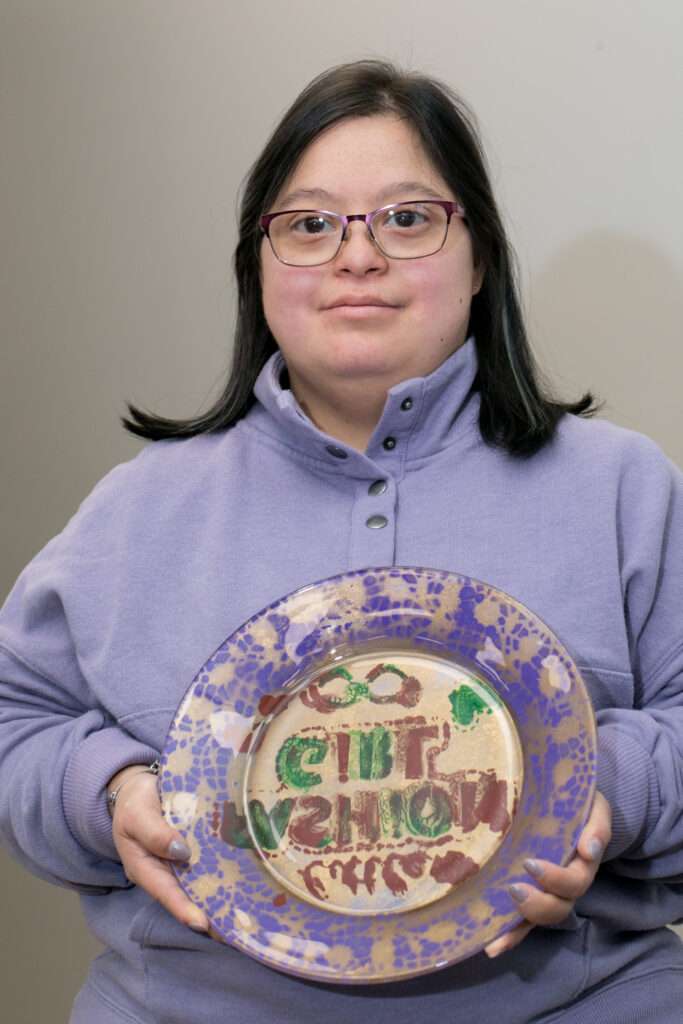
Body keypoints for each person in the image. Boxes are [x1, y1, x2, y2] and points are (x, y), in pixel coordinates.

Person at [0, 58, 681, 1024]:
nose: (356, 256)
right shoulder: (133, 510)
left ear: (479, 257)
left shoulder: (623, 490)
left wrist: (599, 787)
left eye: (406, 218)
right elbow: (16, 721)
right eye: (310, 225)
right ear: (259, 266)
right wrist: (104, 791)